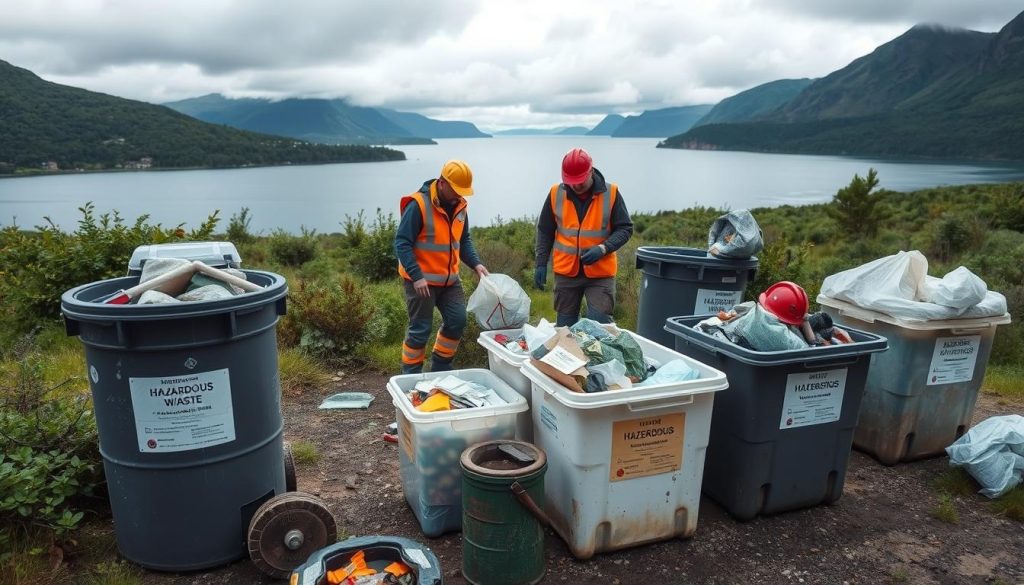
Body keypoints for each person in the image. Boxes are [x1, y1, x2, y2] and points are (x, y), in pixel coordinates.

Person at [395, 159, 488, 374]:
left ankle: (440, 369)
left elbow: (463, 240)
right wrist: (416, 276)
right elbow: (402, 242)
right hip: (421, 282)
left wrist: (476, 264)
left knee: (457, 321)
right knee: (420, 331)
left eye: (462, 191)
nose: (459, 195)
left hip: (449, 281)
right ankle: (410, 377)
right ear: (443, 182)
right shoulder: (418, 205)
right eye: (456, 190)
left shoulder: (461, 206)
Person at [534, 147, 633, 327]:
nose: (576, 186)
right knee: (565, 327)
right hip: (566, 272)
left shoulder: (611, 194)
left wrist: (603, 248)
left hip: (600, 272)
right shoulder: (556, 193)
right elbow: (545, 230)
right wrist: (541, 262)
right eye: (571, 181)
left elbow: (625, 229)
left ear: (591, 171)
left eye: (580, 181)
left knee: (600, 326)